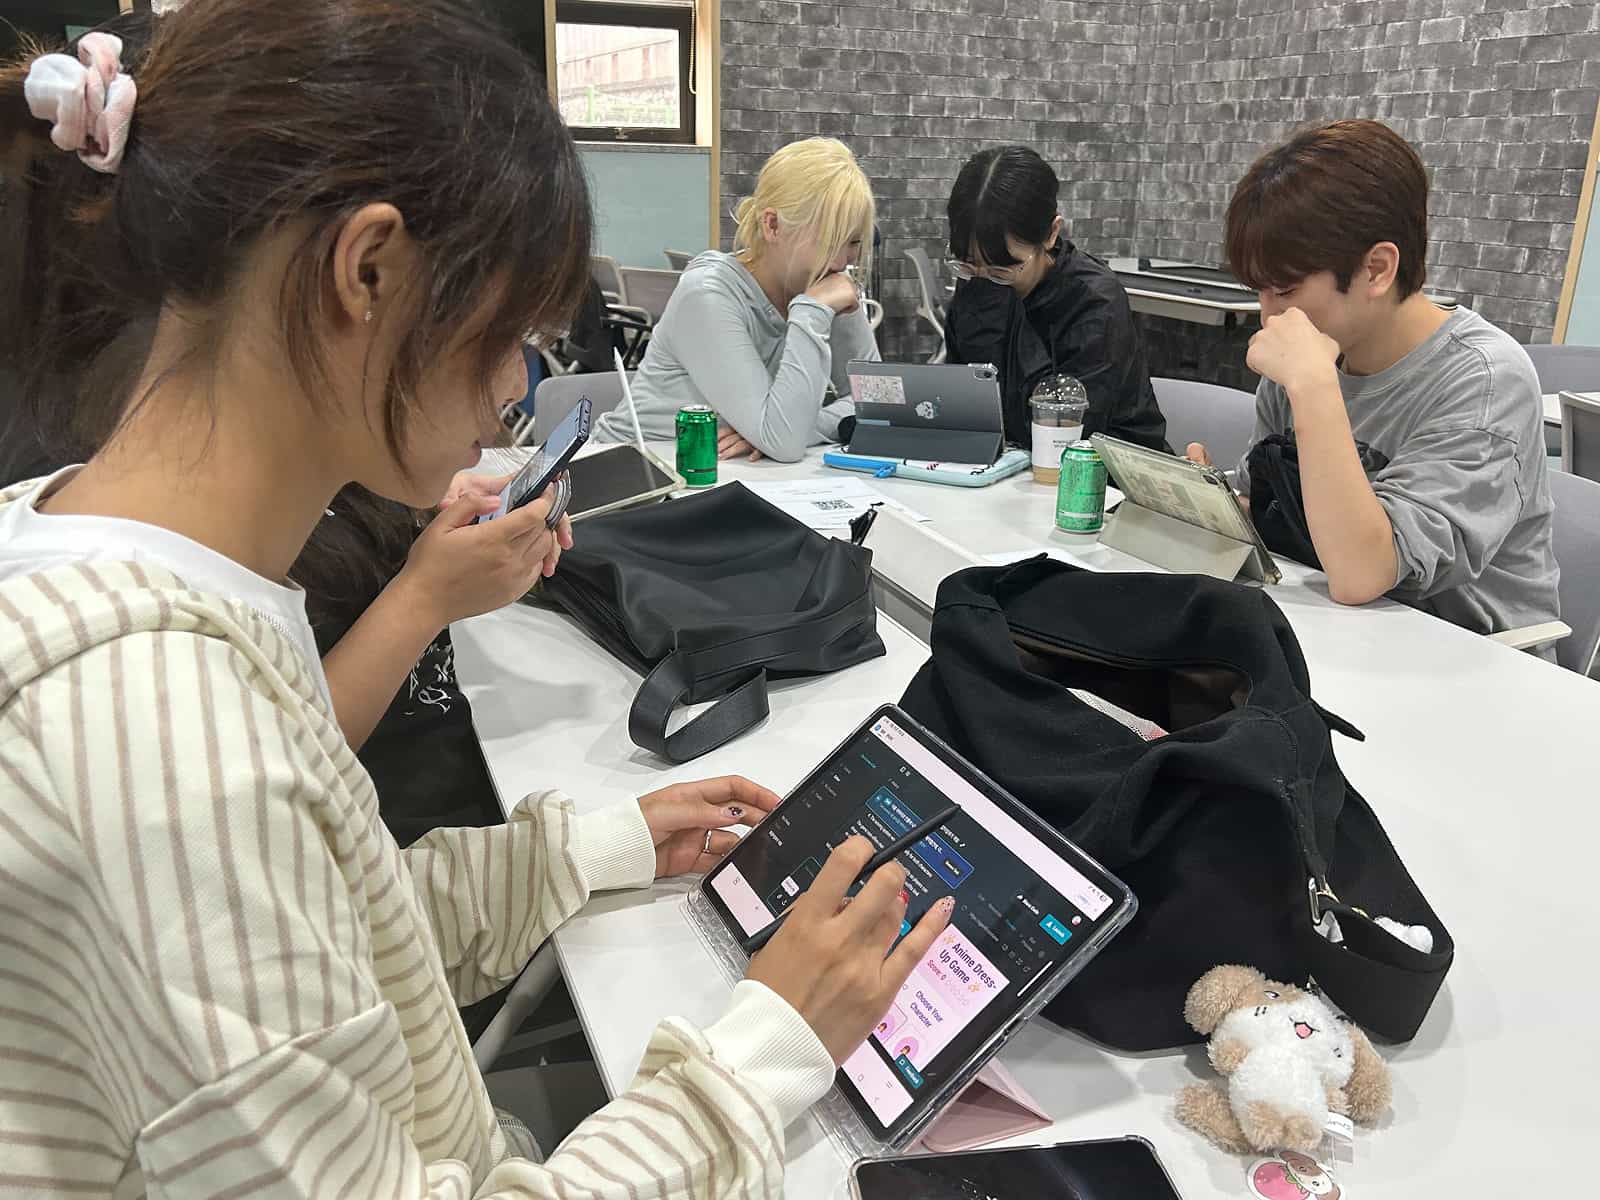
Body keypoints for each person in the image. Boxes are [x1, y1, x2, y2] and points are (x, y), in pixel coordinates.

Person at [0, 8, 952, 1199]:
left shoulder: (101, 554)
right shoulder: (164, 746)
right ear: (370, 270)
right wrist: (765, 1052)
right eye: (509, 336)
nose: (514, 392)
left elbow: (341, 930)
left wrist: (601, 844)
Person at [1187, 119, 1559, 640]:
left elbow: (1366, 572)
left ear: (1378, 269)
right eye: (1260, 290)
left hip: (1469, 660)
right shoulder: (1314, 356)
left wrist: (1314, 386)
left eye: (1285, 290)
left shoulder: (1486, 381)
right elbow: (1272, 512)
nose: (1268, 316)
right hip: (1336, 630)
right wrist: (1207, 502)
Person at [593, 137, 879, 463]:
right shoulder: (707, 294)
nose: (842, 262)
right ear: (772, 225)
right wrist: (812, 312)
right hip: (634, 469)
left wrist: (791, 428)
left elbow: (878, 400)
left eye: (853, 242)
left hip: (732, 475)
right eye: (828, 243)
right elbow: (784, 443)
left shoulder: (826, 284)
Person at [943, 146, 1169, 452]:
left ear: (1051, 234)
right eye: (969, 263)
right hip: (1006, 468)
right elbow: (959, 392)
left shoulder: (1094, 301)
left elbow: (1072, 432)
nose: (986, 278)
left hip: (1100, 472)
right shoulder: (978, 279)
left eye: (1003, 268)